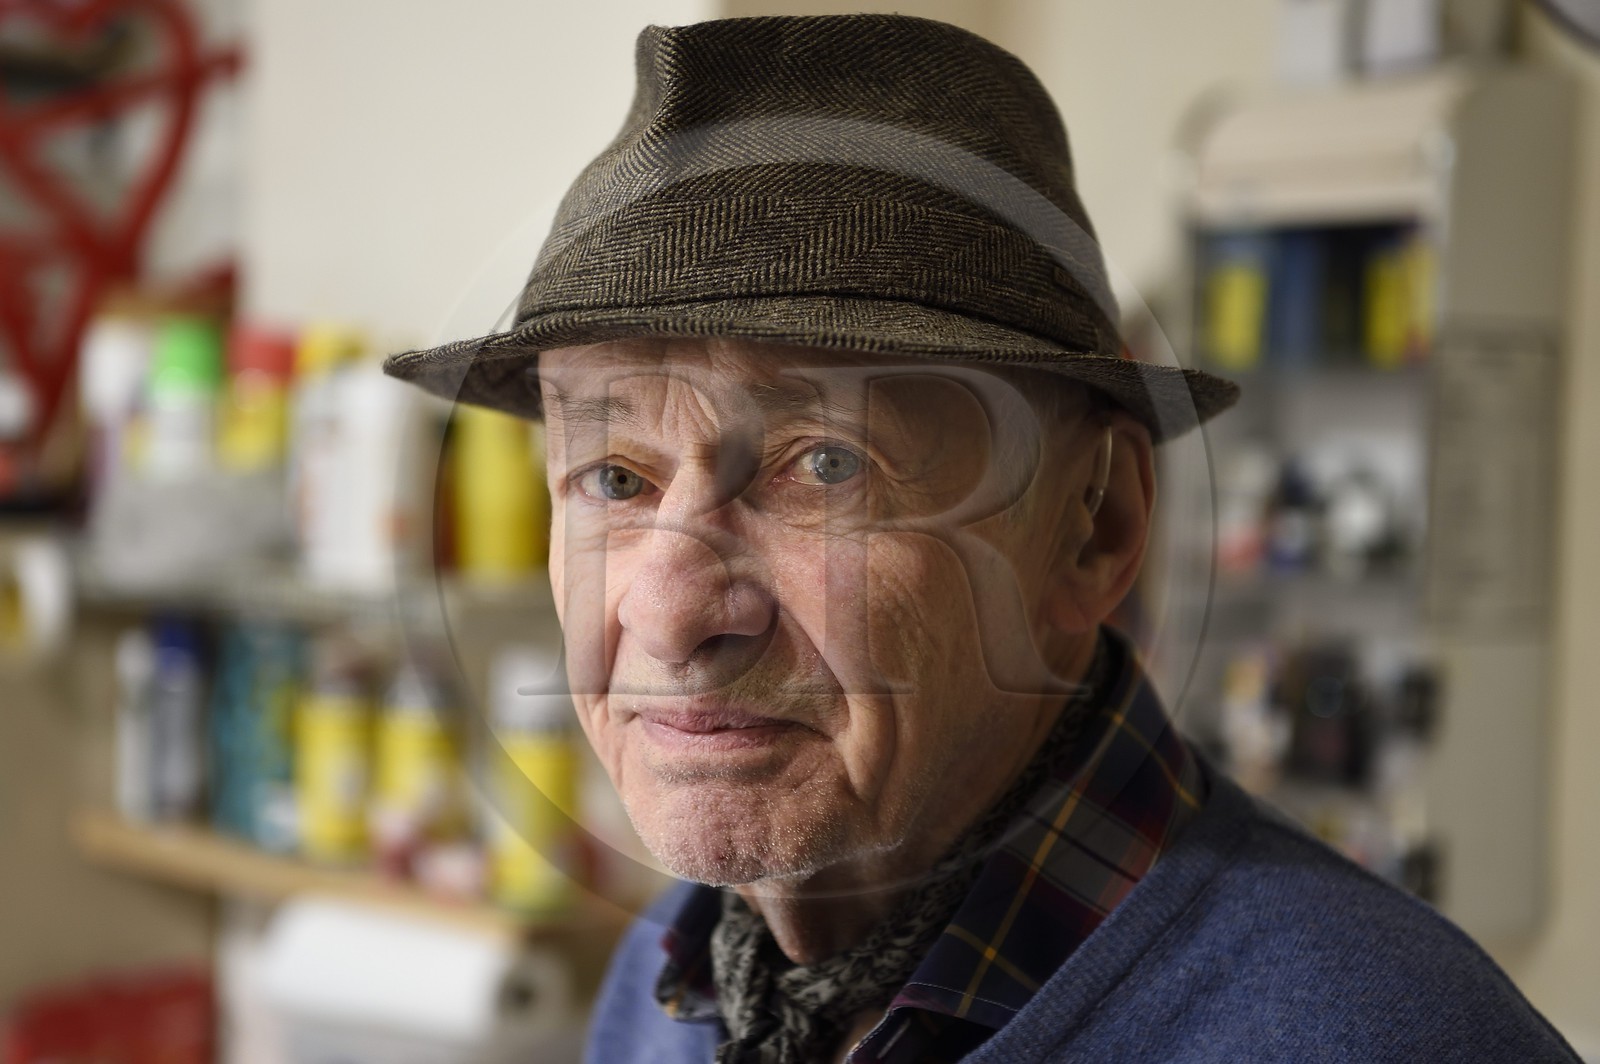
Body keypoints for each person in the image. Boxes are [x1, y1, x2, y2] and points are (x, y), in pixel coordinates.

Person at [384, 14, 1579, 1063]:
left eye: (823, 465)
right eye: (610, 475)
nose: (667, 609)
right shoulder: (680, 980)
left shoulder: (1379, 1036)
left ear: (1092, 529)